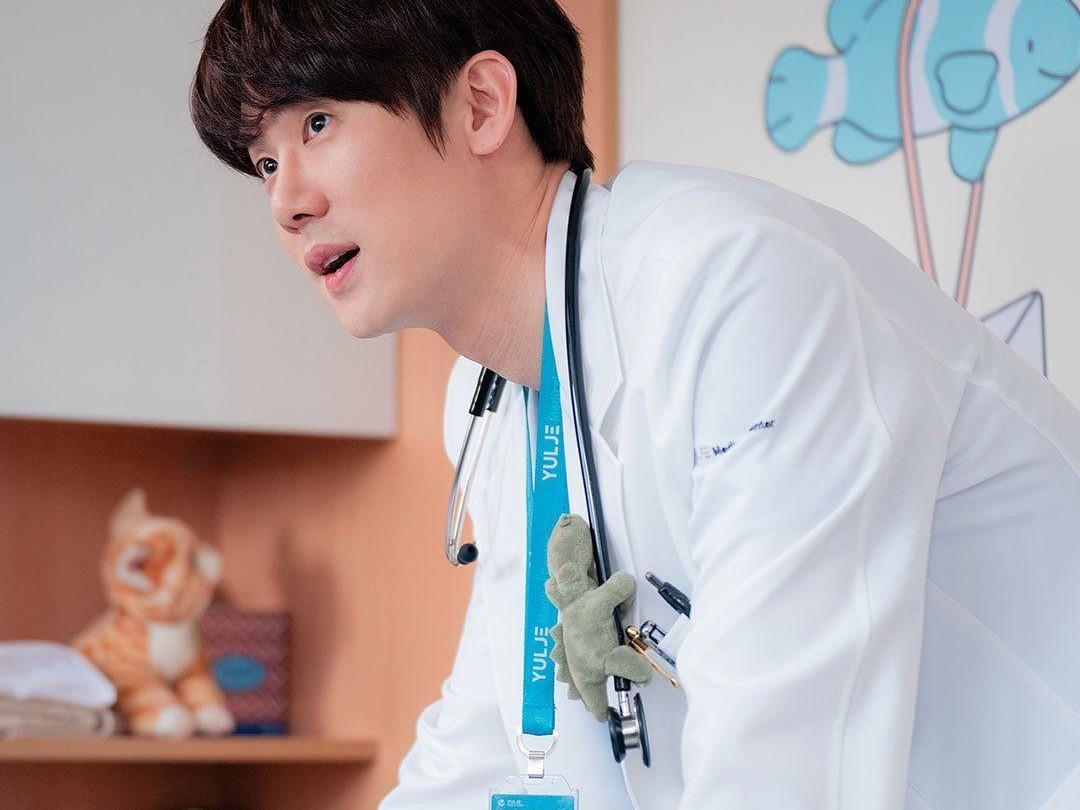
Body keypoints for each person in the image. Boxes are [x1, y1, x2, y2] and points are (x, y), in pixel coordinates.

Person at [189, 1, 1080, 808]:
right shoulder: (491, 397)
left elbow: (779, 772)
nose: (286, 203)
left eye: (316, 124)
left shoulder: (735, 285)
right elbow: (490, 746)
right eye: (264, 162)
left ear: (482, 106)